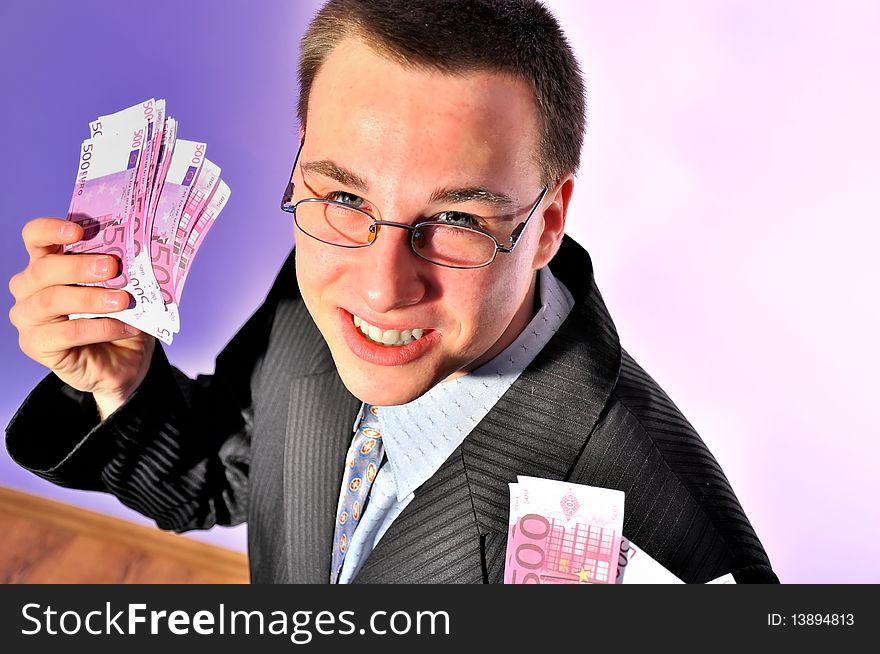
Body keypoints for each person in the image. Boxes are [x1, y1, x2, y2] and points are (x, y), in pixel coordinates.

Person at [5, 0, 778, 583]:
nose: (380, 289)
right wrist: (121, 383)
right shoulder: (321, 293)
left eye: (455, 219)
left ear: (548, 224)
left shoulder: (675, 543)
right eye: (345, 197)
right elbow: (232, 473)